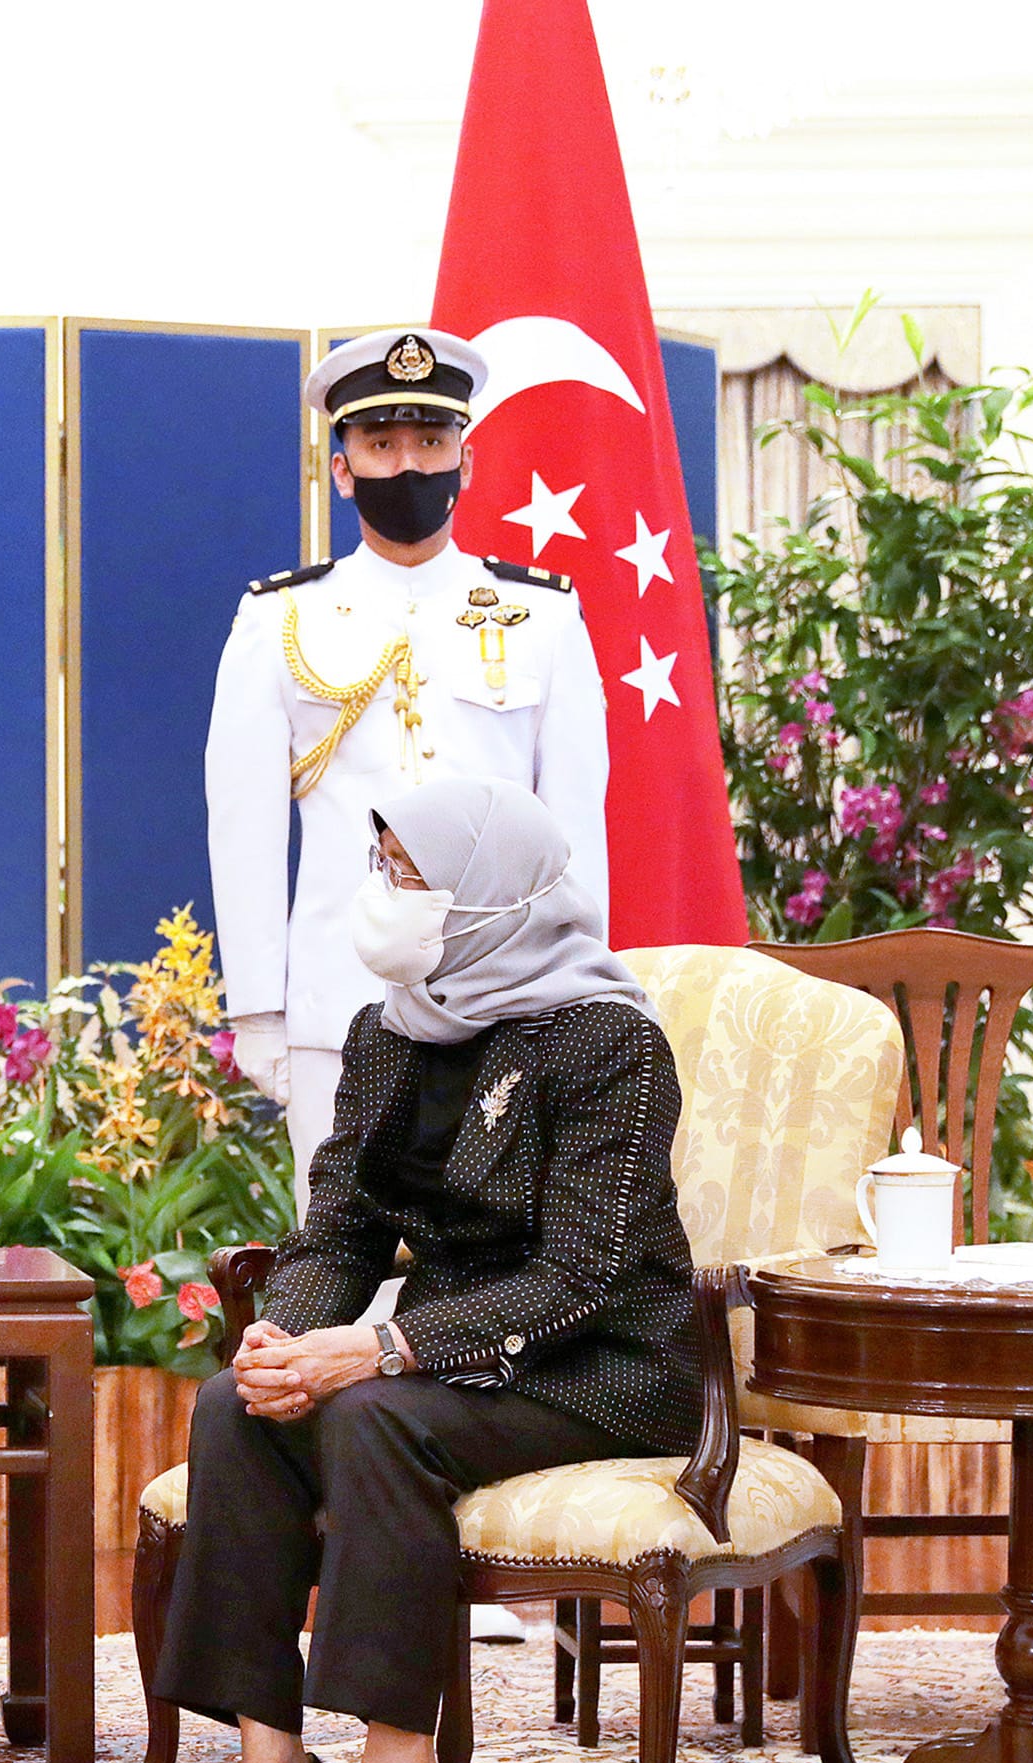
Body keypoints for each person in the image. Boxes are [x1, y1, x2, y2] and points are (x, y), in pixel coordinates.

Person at [148, 777, 696, 1763]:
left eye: (410, 874)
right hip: (462, 1355)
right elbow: (340, 1228)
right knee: (234, 1405)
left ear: (490, 892)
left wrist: (381, 1351)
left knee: (379, 1416)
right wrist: (285, 1336)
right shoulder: (388, 1034)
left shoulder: (608, 1042)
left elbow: (582, 1275)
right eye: (384, 868)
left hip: (603, 1363)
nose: (385, 896)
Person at [207, 327, 610, 1197]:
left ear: (467, 459)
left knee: (497, 1263)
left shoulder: (540, 615)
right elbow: (242, 826)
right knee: (345, 1258)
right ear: (341, 468)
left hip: (515, 994)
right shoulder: (279, 619)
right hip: (340, 997)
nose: (408, 468)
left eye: (431, 443)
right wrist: (260, 1012)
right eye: (381, 445)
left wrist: (583, 986)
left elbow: (576, 819)